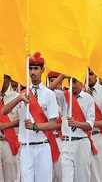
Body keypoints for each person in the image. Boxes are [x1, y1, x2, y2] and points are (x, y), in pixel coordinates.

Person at [2, 52, 60, 182]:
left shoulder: (49, 94)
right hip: (26, 148)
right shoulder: (22, 94)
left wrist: (35, 126)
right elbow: (4, 111)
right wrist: (18, 99)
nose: (32, 72)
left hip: (43, 146)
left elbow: (54, 124)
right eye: (30, 68)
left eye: (36, 68)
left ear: (42, 70)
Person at [51, 76, 95, 182]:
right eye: (70, 81)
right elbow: (49, 90)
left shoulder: (88, 98)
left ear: (82, 81)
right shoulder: (64, 96)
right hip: (66, 142)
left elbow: (90, 124)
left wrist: (77, 123)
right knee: (66, 178)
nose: (73, 85)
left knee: (82, 177)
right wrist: (62, 75)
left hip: (82, 142)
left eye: (75, 81)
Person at [0, 75, 20, 182]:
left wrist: (6, 126)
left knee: (11, 178)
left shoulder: (17, 97)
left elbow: (23, 120)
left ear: (8, 79)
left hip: (10, 141)